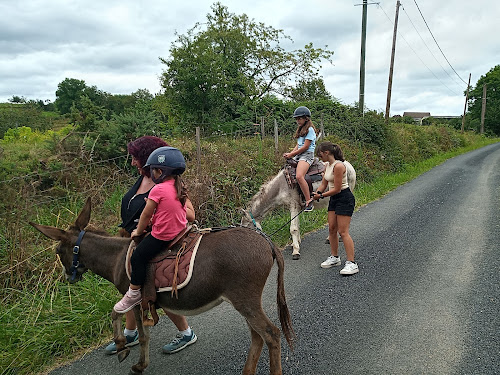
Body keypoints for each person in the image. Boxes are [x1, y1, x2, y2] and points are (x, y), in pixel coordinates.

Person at [105, 138, 197, 355]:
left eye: (136, 158)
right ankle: (130, 332)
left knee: (154, 285)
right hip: (134, 239)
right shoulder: (142, 181)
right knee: (130, 285)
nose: (132, 163)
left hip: (158, 237)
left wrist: (164, 216)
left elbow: (190, 214)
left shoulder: (169, 185)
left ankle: (185, 332)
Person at [308, 142, 359, 275]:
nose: (319, 157)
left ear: (327, 153)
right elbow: (324, 183)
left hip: (344, 197)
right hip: (334, 199)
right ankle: (335, 257)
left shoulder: (339, 166)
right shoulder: (328, 166)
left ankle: (351, 263)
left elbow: (336, 189)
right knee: (332, 229)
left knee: (343, 232)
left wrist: (321, 196)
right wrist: (317, 193)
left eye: (320, 154)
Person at [283, 106, 317, 213]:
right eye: (296, 119)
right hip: (299, 154)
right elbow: (298, 145)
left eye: (300, 118)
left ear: (306, 118)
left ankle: (309, 201)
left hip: (307, 155)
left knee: (299, 176)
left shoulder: (310, 130)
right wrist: (291, 155)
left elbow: (305, 147)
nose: (298, 121)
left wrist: (292, 154)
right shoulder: (301, 129)